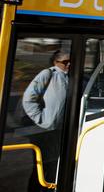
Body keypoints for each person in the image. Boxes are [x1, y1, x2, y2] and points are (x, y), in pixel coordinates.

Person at [22, 50, 71, 191]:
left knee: (53, 165)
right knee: (41, 166)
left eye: (70, 62)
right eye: (65, 62)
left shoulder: (69, 77)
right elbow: (28, 99)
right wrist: (42, 119)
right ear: (56, 62)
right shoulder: (48, 74)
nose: (69, 65)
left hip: (58, 131)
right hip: (44, 131)